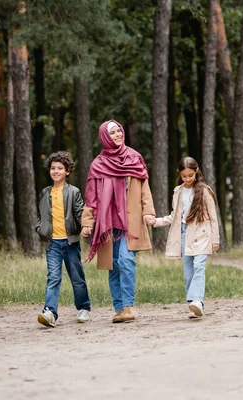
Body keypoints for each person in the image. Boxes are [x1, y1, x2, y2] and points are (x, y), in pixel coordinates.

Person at [81, 120, 155, 323]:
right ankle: (119, 309)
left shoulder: (134, 158)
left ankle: (129, 307)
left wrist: (148, 211)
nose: (118, 135)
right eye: (112, 133)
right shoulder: (98, 164)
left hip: (130, 221)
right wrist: (88, 221)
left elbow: (145, 188)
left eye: (119, 131)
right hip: (108, 223)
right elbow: (92, 197)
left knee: (125, 259)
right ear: (105, 137)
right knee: (113, 265)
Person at [146, 157, 219, 318]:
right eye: (184, 176)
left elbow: (213, 217)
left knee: (199, 267)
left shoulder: (205, 191)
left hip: (202, 233)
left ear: (196, 171)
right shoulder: (178, 191)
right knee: (188, 272)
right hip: (185, 233)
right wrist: (156, 221)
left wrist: (215, 239)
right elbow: (175, 216)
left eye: (190, 175)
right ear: (180, 174)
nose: (187, 179)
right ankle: (193, 304)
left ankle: (198, 301)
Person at [35, 151, 91, 328]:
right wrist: (40, 228)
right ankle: (50, 312)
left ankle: (83, 308)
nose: (56, 171)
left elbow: (80, 212)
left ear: (67, 171)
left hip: (70, 242)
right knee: (53, 277)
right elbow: (40, 215)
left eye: (60, 168)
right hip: (52, 243)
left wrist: (85, 226)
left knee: (77, 277)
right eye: (53, 168)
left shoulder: (73, 192)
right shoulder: (45, 192)